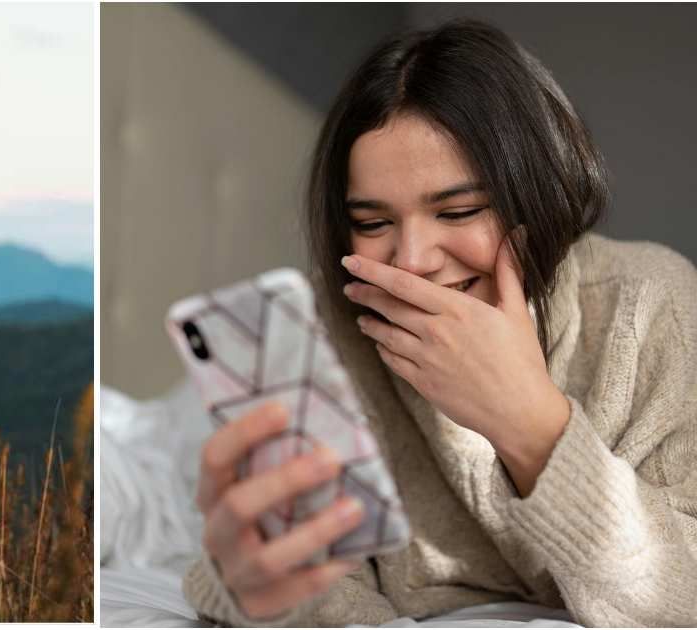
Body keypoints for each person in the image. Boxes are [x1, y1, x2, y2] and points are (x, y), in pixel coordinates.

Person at [182, 20, 697, 626]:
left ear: (538, 195)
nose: (412, 261)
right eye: (373, 223)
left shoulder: (650, 306)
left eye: (458, 210)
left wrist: (531, 425)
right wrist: (251, 579)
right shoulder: (329, 333)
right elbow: (286, 578)